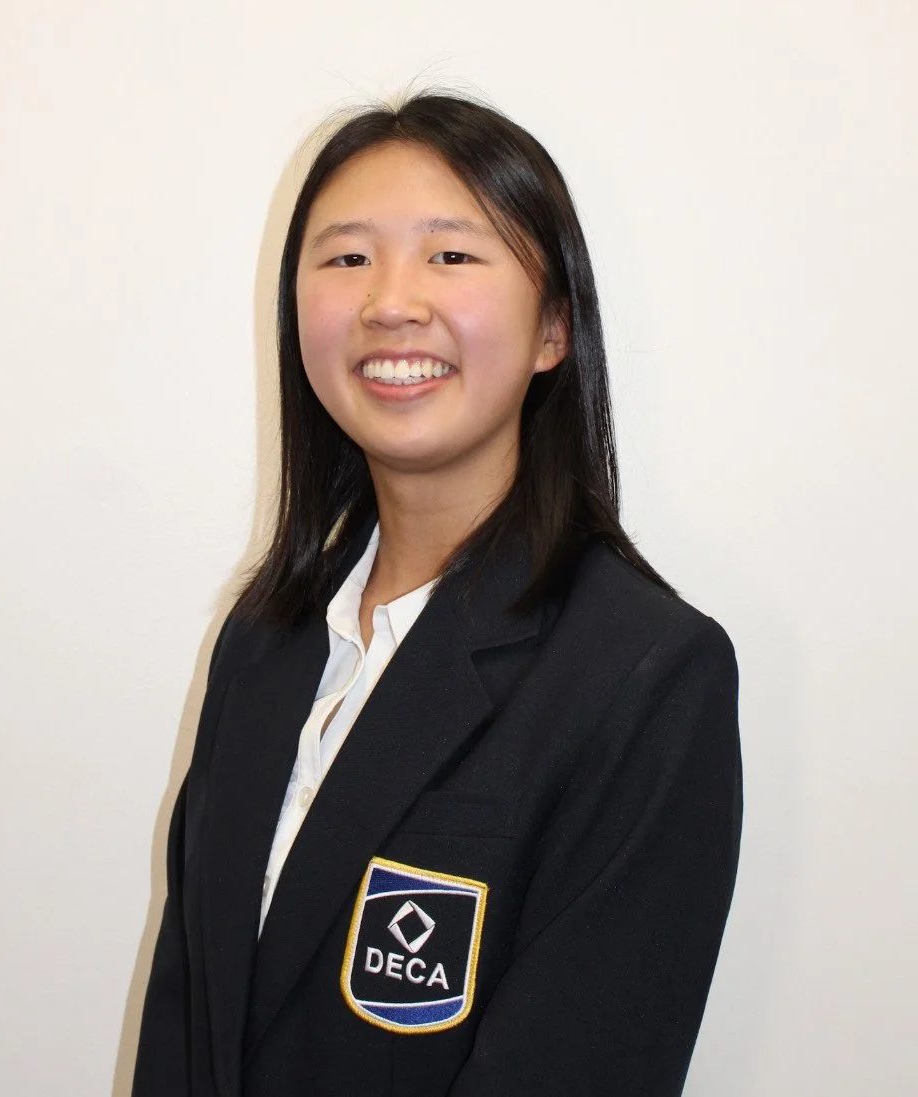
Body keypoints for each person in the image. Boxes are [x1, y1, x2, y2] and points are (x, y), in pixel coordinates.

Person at [131, 89, 742, 1097]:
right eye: (346, 257)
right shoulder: (265, 639)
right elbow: (185, 1016)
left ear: (553, 329)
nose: (390, 301)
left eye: (452, 255)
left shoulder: (643, 672)